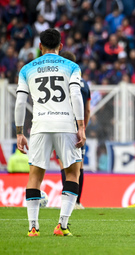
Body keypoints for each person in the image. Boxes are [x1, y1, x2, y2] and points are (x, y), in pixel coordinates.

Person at [15, 28, 86, 237]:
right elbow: (75, 94)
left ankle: (33, 227)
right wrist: (80, 126)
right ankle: (62, 226)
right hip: (65, 124)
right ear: (61, 46)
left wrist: (19, 131)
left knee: (35, 176)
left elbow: (20, 102)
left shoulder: (27, 69)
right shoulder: (72, 66)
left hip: (39, 126)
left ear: (40, 46)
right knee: (73, 173)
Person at [58, 51, 91, 210]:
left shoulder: (60, 81)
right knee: (79, 166)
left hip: (60, 126)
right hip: (77, 129)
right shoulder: (84, 83)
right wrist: (82, 127)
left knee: (64, 165)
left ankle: (66, 201)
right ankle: (77, 202)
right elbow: (88, 110)